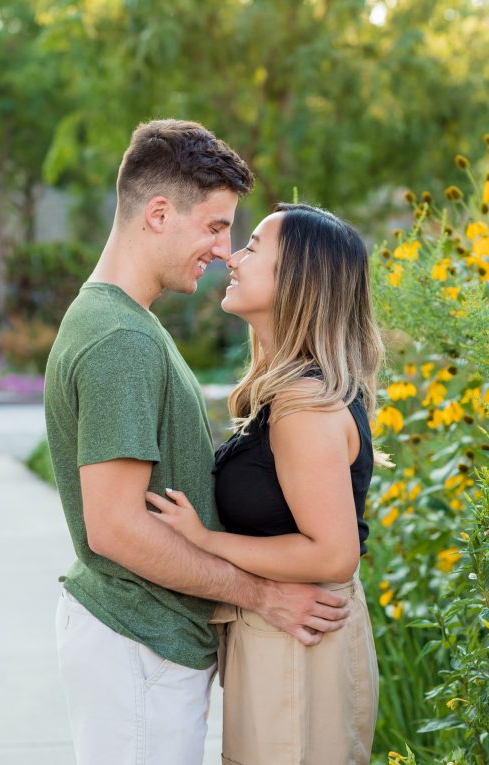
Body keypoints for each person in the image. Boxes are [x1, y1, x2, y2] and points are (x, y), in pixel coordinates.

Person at [44, 120, 352, 764]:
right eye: (215, 226)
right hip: (137, 642)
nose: (223, 249)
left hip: (148, 645)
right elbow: (116, 529)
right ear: (159, 213)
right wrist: (262, 594)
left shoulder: (129, 325)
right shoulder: (120, 339)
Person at [144, 203, 382, 764]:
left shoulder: (304, 407)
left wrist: (203, 540)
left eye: (253, 246)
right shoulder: (286, 395)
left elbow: (333, 554)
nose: (232, 255)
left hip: (301, 648)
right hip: (289, 639)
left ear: (297, 279)